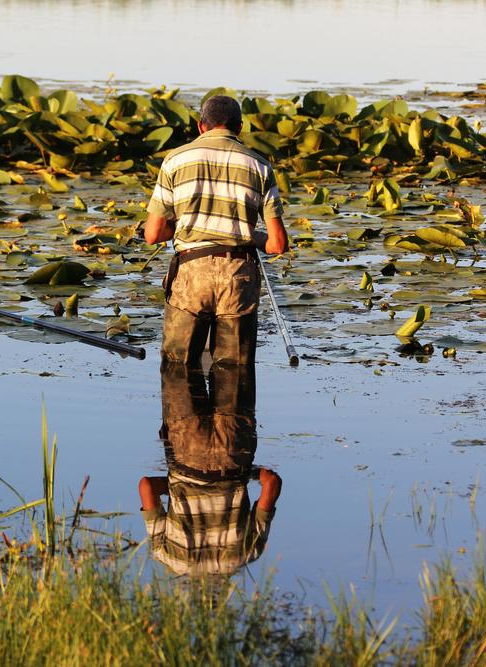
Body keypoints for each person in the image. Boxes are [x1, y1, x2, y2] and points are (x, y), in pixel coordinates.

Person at [144, 95, 289, 366]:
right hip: (238, 275)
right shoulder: (260, 165)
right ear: (240, 128)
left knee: (179, 371)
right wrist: (252, 236)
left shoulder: (174, 160)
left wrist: (180, 225)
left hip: (190, 273)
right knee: (235, 378)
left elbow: (153, 235)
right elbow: (278, 244)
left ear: (201, 126)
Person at [138, 363, 283, 577]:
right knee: (178, 365)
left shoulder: (246, 553)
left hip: (232, 450)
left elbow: (270, 482)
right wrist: (178, 488)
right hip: (184, 448)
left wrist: (246, 472)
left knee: (236, 363)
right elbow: (146, 486)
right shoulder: (166, 555)